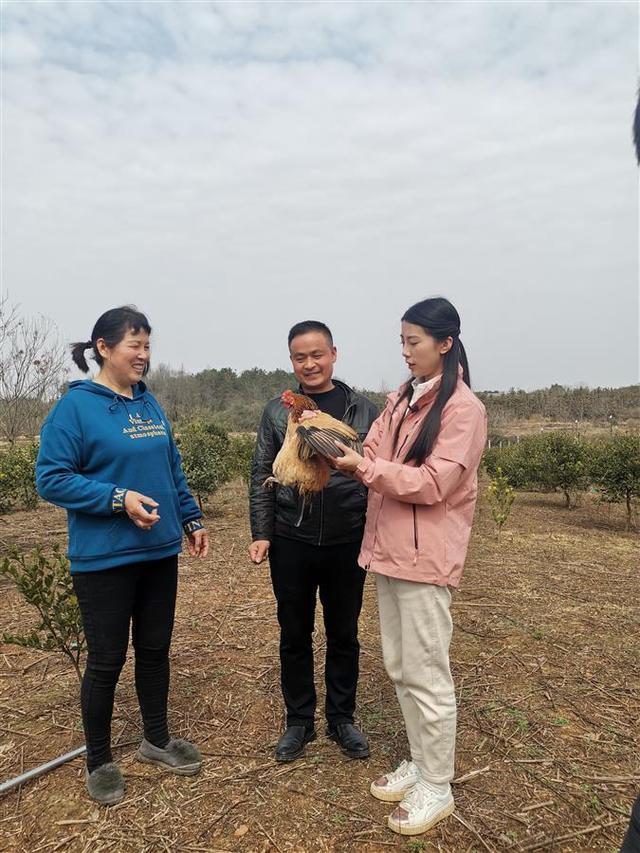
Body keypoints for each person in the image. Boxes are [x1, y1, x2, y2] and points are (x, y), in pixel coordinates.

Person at [36, 306, 209, 806]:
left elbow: (171, 465)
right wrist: (118, 499)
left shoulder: (148, 404)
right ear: (103, 348)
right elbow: (52, 478)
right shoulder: (75, 409)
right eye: (134, 345)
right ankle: (99, 758)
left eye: (148, 345)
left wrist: (191, 517)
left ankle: (156, 739)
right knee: (107, 659)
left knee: (154, 650)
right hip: (104, 558)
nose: (144, 355)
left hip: (158, 551)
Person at [330, 297, 487, 836]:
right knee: (400, 668)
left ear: (445, 343)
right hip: (388, 551)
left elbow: (433, 483)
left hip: (425, 558)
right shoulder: (401, 398)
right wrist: (338, 451)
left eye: (413, 342)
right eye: (401, 341)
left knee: (427, 674)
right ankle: (421, 765)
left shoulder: (463, 410)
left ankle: (437, 785)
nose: (405, 352)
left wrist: (367, 469)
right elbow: (370, 451)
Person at [249, 320, 378, 762]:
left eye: (317, 354)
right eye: (300, 357)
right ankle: (299, 721)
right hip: (292, 537)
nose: (310, 363)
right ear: (292, 361)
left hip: (347, 537)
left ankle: (342, 718)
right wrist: (262, 533)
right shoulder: (274, 412)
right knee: (294, 632)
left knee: (344, 632)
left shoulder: (363, 410)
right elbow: (261, 473)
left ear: (334, 354)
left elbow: (379, 474)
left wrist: (374, 533)